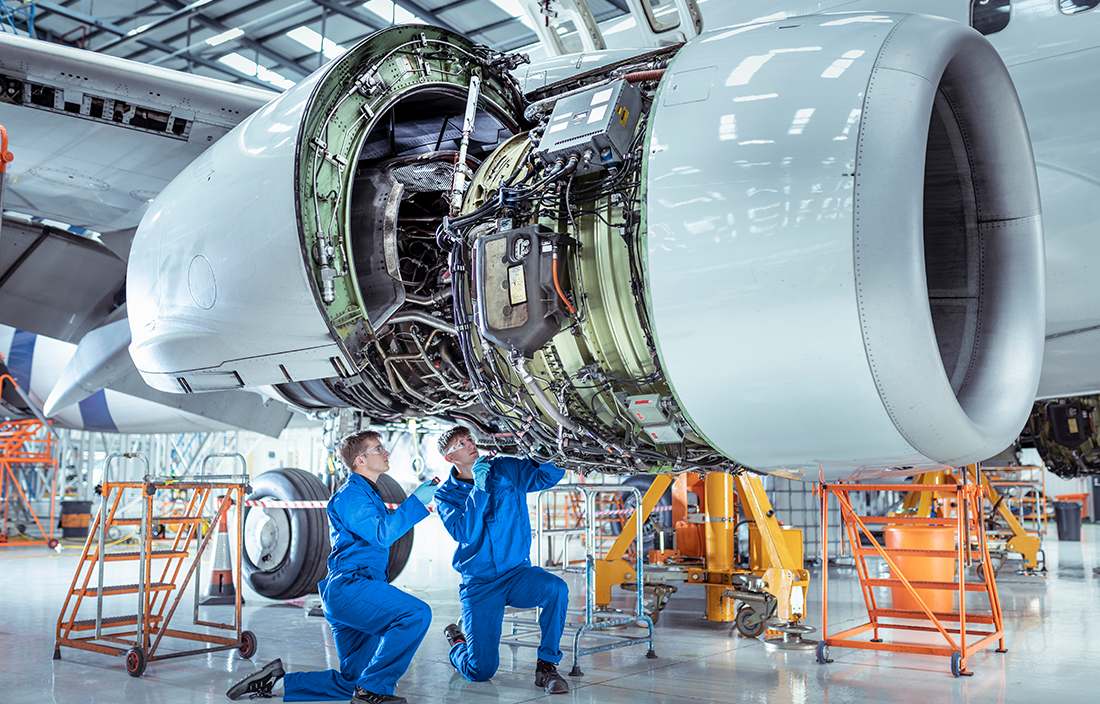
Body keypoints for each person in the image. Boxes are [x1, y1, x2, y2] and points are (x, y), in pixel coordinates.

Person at [227, 430, 439, 704]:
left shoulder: (368, 494)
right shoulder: (351, 496)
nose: (385, 453)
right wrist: (415, 502)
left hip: (356, 590)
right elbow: (382, 533)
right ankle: (374, 690)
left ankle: (273, 684)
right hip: (351, 589)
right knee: (417, 614)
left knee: (351, 681)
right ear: (360, 460)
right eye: (378, 449)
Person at [433, 425, 570, 694]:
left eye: (470, 439)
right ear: (450, 458)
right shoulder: (446, 494)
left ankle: (547, 665)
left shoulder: (504, 468)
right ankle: (458, 645)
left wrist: (545, 453)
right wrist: (479, 490)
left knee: (555, 588)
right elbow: (464, 532)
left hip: (517, 574)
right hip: (480, 583)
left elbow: (544, 477)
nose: (470, 444)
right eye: (461, 443)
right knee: (480, 671)